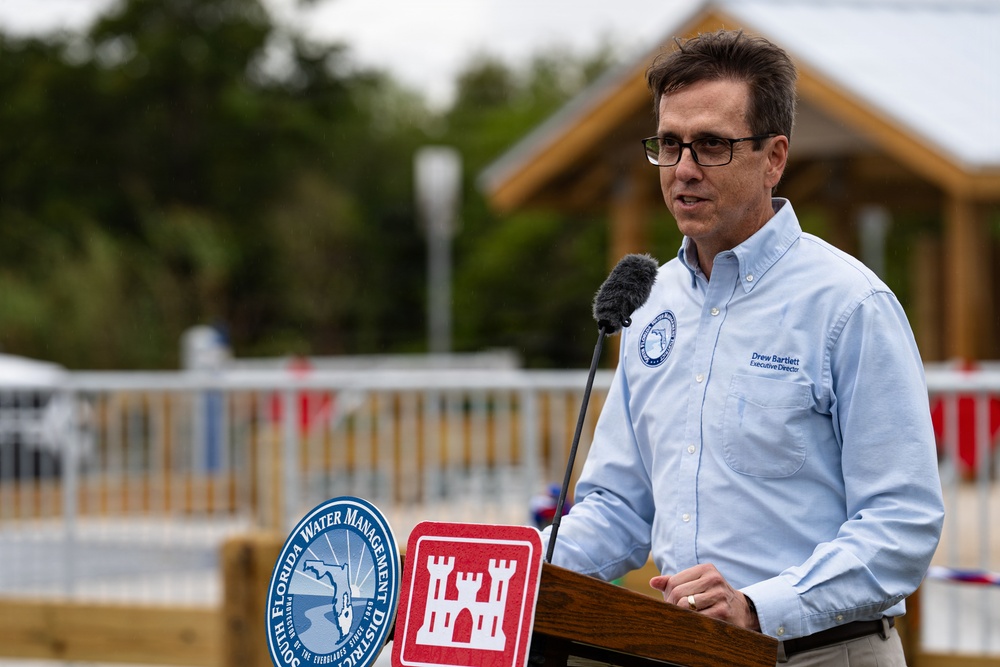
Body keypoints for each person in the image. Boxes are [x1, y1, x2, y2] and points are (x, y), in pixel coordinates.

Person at [542, 29, 944, 666]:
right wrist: (506, 566)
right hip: (681, 653)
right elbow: (618, 507)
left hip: (821, 654)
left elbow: (902, 524)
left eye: (712, 145)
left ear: (775, 156)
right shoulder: (650, 301)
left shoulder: (849, 305)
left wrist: (761, 608)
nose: (683, 169)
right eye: (670, 144)